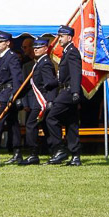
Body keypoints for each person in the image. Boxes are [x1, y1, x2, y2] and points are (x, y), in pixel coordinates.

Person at [45, 25, 82, 165]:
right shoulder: (67, 52)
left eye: (61, 36)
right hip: (66, 89)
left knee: (51, 118)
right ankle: (75, 155)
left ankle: (60, 149)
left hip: (68, 92)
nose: (59, 39)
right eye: (59, 36)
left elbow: (76, 73)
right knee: (71, 124)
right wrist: (52, 83)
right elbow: (63, 77)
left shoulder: (72, 52)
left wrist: (75, 91)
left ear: (69, 37)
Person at [19, 38, 57, 165]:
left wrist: (50, 99)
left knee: (31, 124)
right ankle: (55, 151)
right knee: (46, 126)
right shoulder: (39, 62)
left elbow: (50, 83)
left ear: (46, 49)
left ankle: (33, 153)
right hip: (39, 98)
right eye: (34, 47)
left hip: (42, 99)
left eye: (39, 47)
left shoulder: (45, 63)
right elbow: (32, 84)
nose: (35, 49)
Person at [0, 31, 24, 165]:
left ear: (8, 43)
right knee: (12, 124)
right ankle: (17, 153)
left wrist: (14, 95)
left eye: (1, 41)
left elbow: (17, 77)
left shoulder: (11, 57)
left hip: (7, 93)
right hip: (2, 91)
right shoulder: (1, 57)